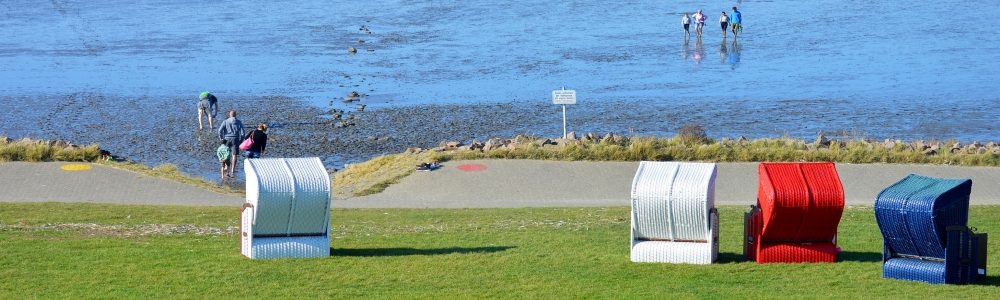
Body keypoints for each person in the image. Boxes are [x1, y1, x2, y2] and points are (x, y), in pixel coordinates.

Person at [217, 110, 245, 177]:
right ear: (235, 115)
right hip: (235, 139)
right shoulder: (239, 122)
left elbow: (219, 130)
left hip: (226, 139)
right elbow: (243, 133)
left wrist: (221, 138)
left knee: (226, 153)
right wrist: (241, 139)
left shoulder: (225, 121)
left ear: (230, 115)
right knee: (234, 155)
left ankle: (226, 167)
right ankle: (233, 169)